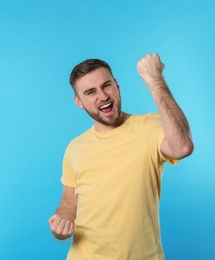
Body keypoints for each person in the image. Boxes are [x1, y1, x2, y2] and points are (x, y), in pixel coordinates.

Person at [48, 53, 194, 259]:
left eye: (106, 85)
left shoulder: (148, 128)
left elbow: (182, 147)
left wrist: (154, 79)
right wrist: (62, 222)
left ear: (117, 85)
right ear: (78, 102)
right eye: (90, 92)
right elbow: (68, 205)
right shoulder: (75, 148)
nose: (103, 96)